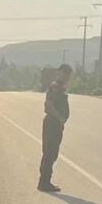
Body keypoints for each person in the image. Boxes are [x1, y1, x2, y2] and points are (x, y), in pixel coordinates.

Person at [38, 64, 73, 192]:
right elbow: (48, 105)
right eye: (65, 73)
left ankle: (45, 181)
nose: (67, 77)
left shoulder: (61, 87)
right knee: (50, 152)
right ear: (59, 73)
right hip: (52, 124)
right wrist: (59, 117)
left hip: (56, 125)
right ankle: (44, 183)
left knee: (52, 153)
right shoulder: (55, 87)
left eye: (68, 74)